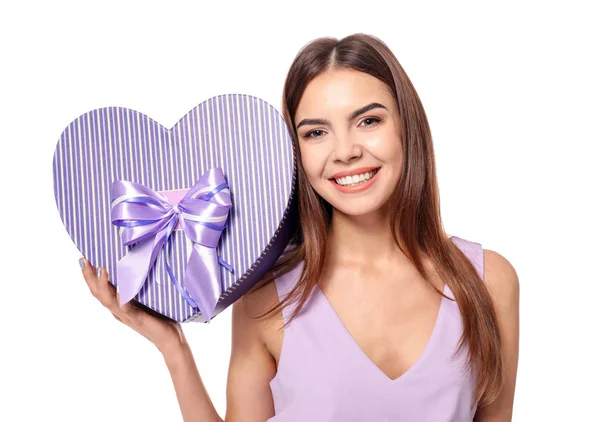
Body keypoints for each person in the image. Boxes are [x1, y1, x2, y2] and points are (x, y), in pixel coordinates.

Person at [79, 33, 519, 421]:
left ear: (407, 127)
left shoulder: (488, 280)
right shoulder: (268, 296)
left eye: (368, 120)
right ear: (296, 153)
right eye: (315, 133)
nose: (345, 152)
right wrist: (173, 348)